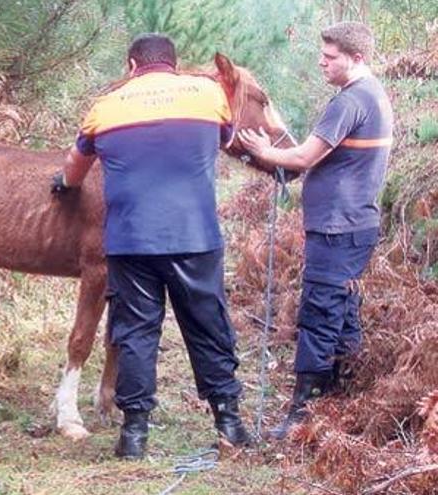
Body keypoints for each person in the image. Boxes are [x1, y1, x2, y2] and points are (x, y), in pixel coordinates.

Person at [52, 33, 252, 459]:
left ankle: (135, 435)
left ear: (130, 66)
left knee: (137, 332)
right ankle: (229, 424)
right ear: (174, 65)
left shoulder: (106, 106)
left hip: (130, 240)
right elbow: (224, 139)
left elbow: (75, 168)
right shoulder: (208, 94)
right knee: (208, 326)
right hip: (194, 237)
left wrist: (64, 185)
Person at [239, 21, 393, 439]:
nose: (321, 62)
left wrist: (263, 151)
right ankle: (345, 407)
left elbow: (306, 157)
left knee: (320, 315)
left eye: (330, 57)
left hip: (337, 229)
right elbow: (322, 154)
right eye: (321, 55)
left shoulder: (349, 101)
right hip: (354, 225)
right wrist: (274, 139)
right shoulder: (371, 94)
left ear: (356, 58)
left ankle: (301, 416)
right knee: (342, 314)